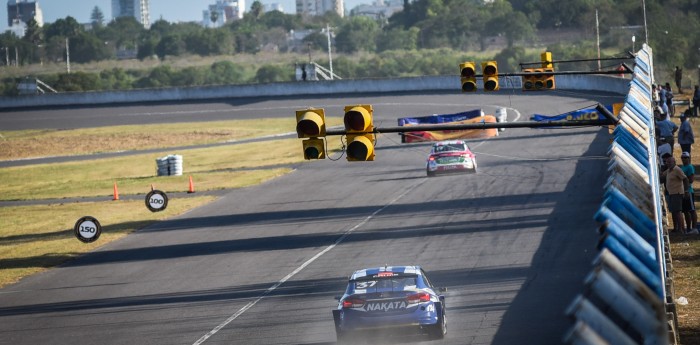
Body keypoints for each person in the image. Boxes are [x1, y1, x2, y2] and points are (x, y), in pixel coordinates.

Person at [661, 156, 690, 233]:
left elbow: (685, 179)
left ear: (674, 162)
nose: (668, 164)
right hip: (671, 193)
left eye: (670, 162)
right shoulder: (669, 171)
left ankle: (681, 229)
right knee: (674, 211)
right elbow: (662, 176)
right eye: (667, 162)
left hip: (677, 193)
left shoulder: (677, 169)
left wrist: (686, 191)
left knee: (678, 211)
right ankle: (676, 228)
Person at [680, 152, 699, 234]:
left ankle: (694, 228)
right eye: (682, 157)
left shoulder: (690, 167)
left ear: (689, 158)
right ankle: (688, 228)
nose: (684, 159)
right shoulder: (682, 167)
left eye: (686, 157)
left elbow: (691, 180)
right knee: (685, 211)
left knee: (692, 210)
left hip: (688, 191)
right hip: (682, 191)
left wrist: (683, 179)